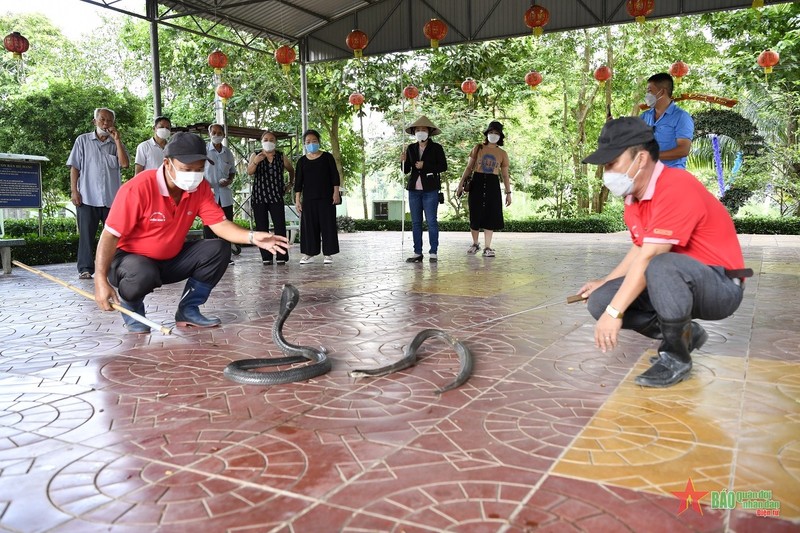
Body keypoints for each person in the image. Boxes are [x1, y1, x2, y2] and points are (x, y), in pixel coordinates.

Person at [577, 117, 748, 388]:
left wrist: (614, 313)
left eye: (612, 163)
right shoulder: (634, 198)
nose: (607, 172)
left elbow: (651, 256)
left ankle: (675, 357)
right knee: (600, 300)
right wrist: (606, 285)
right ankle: (685, 335)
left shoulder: (676, 186)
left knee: (660, 265)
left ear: (641, 159)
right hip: (678, 279)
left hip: (721, 285)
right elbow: (639, 248)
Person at [92, 132, 289, 333]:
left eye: (199, 169)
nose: (193, 175)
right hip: (129, 262)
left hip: (169, 258)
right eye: (187, 169)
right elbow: (110, 235)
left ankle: (188, 308)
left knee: (219, 248)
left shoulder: (200, 188)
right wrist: (100, 278)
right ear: (167, 163)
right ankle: (133, 310)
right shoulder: (139, 187)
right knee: (142, 273)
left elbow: (219, 224)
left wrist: (253, 236)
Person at [67, 107, 130, 280]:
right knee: (86, 236)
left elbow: (124, 165)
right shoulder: (82, 141)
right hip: (87, 197)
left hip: (111, 200)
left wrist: (117, 141)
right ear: (94, 121)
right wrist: (74, 191)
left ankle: (115, 268)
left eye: (109, 120)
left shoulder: (115, 143)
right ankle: (85, 269)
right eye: (102, 119)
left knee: (114, 236)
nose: (106, 123)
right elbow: (74, 167)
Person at [455, 121, 512, 257]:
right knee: (475, 212)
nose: (493, 135)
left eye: (496, 133)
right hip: (477, 181)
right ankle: (475, 243)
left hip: (493, 183)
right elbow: (469, 168)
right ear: (487, 134)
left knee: (490, 214)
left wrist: (508, 193)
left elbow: (504, 175)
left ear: (500, 136)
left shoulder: (502, 153)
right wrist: (460, 184)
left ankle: (488, 247)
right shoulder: (478, 148)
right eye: (491, 132)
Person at [401, 116, 447, 263]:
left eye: (423, 129)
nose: (420, 132)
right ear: (414, 132)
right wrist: (402, 161)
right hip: (414, 189)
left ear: (429, 131)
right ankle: (417, 252)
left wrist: (425, 165)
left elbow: (443, 166)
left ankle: (433, 252)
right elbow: (406, 170)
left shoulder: (437, 148)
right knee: (416, 222)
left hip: (430, 189)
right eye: (418, 130)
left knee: (431, 221)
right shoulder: (411, 148)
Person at [246, 130, 295, 265]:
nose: (269, 142)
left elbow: (291, 169)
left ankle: (281, 256)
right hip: (259, 197)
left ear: (275, 142)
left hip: (276, 196)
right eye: (266, 139)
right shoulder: (255, 155)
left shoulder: (280, 156)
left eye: (271, 139)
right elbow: (249, 172)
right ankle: (266, 257)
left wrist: (290, 184)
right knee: (262, 228)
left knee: (280, 227)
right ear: (262, 142)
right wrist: (256, 161)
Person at [293, 129, 340, 265]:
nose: (311, 144)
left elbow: (335, 177)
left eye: (314, 141)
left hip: (327, 198)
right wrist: (297, 200)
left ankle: (328, 254)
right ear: (304, 144)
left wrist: (336, 192)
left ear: (319, 142)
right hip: (308, 200)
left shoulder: (327, 157)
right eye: (308, 142)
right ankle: (309, 253)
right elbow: (298, 183)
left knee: (328, 225)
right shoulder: (302, 161)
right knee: (309, 227)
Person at [639, 72, 694, 169]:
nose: (647, 95)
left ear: (662, 92)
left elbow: (683, 150)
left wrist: (653, 155)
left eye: (649, 91)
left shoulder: (681, 117)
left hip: (672, 175)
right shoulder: (645, 116)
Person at [202, 124, 237, 265]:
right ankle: (209, 259)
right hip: (208, 195)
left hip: (225, 196)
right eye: (214, 132)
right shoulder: (203, 150)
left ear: (224, 134)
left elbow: (232, 171)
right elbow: (198, 170)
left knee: (227, 225)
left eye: (219, 132)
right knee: (209, 228)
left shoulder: (228, 153)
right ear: (209, 133)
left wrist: (229, 180)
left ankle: (226, 257)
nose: (217, 135)